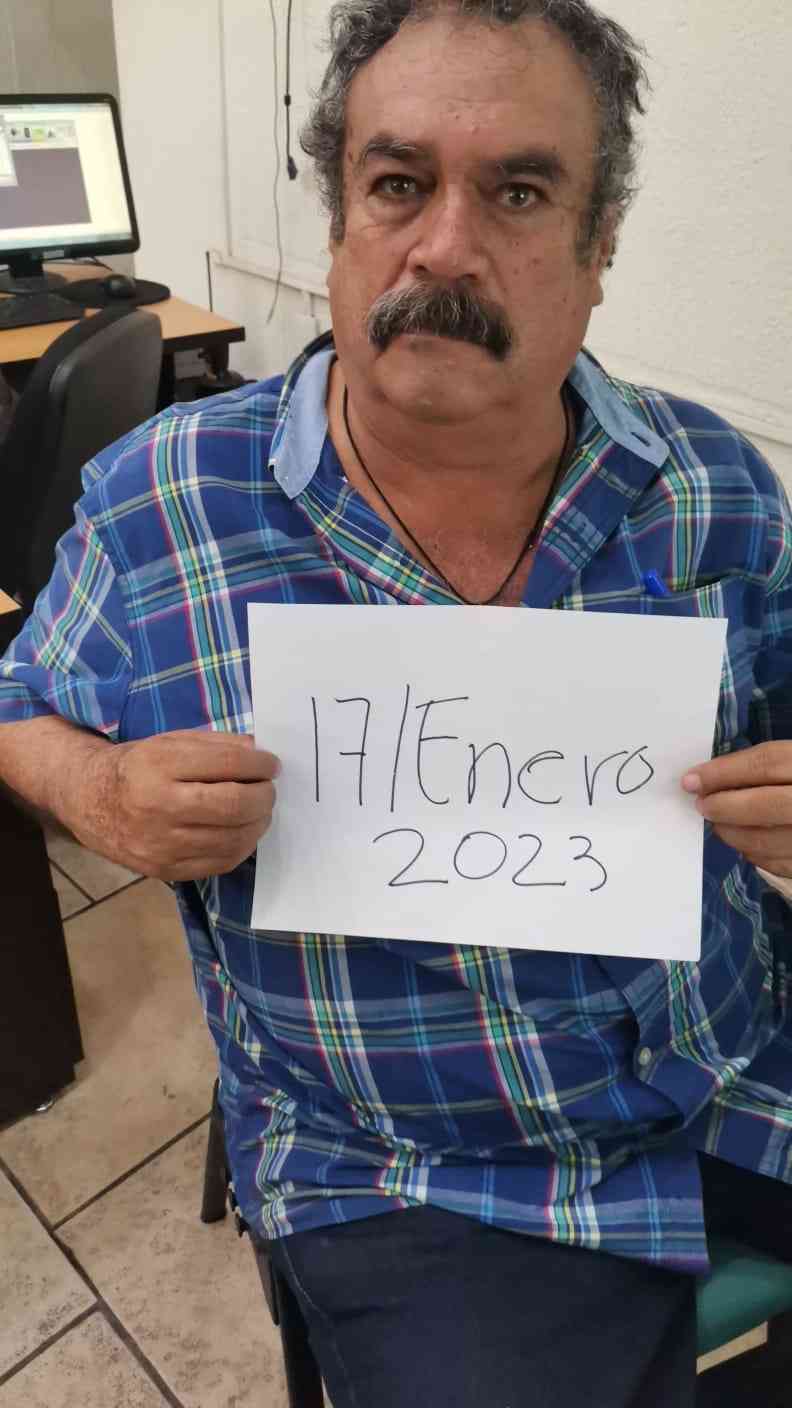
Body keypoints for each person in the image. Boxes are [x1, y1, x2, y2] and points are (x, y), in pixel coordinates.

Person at [0, 1, 791, 1403]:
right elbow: (17, 703)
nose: (443, 245)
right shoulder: (164, 504)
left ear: (600, 246)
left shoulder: (715, 486)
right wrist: (98, 790)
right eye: (399, 182)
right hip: (420, 1165)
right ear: (341, 220)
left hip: (739, 1051)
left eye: (521, 191)